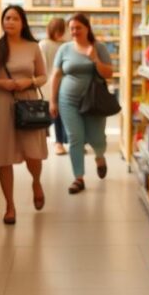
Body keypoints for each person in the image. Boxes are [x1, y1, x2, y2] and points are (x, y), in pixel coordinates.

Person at [0, 5, 48, 224]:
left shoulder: (33, 47)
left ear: (22, 22)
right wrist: (3, 83)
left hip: (29, 103)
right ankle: (10, 206)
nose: (10, 22)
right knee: (3, 157)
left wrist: (30, 81)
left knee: (32, 153)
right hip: (3, 104)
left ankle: (36, 182)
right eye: (7, 18)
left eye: (15, 18)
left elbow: (43, 77)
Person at [50, 13, 114, 194]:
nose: (74, 31)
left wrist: (94, 59)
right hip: (67, 101)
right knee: (75, 138)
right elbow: (56, 75)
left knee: (97, 138)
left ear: (87, 28)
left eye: (78, 28)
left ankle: (100, 157)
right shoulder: (64, 49)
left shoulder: (98, 47)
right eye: (71, 28)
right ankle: (78, 178)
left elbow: (108, 73)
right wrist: (52, 101)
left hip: (94, 102)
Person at [38, 18, 68, 155]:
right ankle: (58, 143)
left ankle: (59, 142)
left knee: (56, 114)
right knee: (56, 115)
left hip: (53, 85)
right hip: (54, 85)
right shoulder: (45, 45)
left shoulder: (64, 45)